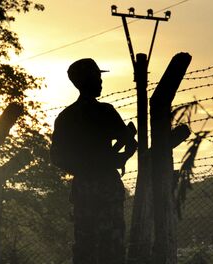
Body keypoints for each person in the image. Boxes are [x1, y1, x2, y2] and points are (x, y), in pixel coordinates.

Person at [50, 58, 137, 264]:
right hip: (107, 186)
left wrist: (82, 167)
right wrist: (118, 159)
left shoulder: (65, 117)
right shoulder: (105, 111)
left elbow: (56, 157)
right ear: (87, 80)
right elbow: (130, 144)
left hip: (83, 188)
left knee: (85, 246)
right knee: (112, 246)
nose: (100, 82)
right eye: (97, 77)